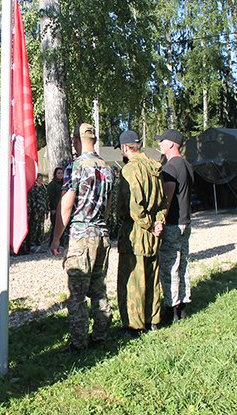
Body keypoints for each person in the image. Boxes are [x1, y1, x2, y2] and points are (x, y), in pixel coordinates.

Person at [50, 123, 114, 352]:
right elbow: (107, 207)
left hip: (81, 236)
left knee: (76, 295)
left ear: (77, 140)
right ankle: (100, 336)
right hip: (102, 234)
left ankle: (78, 344)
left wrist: (56, 238)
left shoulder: (75, 167)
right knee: (98, 289)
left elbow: (66, 207)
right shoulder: (107, 168)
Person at [117, 130, 167, 336]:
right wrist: (158, 222)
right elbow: (163, 201)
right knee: (152, 277)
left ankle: (134, 325)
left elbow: (133, 206)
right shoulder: (154, 167)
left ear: (125, 148)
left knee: (133, 281)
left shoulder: (131, 170)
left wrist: (147, 223)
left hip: (136, 233)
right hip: (153, 233)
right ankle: (153, 320)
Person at [156, 129, 194, 323]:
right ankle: (184, 304)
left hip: (172, 223)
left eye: (162, 141)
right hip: (185, 221)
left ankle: (171, 309)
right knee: (183, 265)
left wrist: (160, 220)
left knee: (170, 266)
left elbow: (167, 197)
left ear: (171, 144)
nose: (160, 144)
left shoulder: (171, 167)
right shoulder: (186, 165)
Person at [27, 173, 49, 252]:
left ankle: (39, 243)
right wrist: (34, 212)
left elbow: (46, 200)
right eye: (39, 178)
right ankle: (32, 244)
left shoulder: (43, 188)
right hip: (35, 212)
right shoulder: (33, 188)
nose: (41, 179)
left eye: (41, 178)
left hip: (42, 211)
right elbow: (32, 201)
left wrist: (47, 211)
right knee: (34, 228)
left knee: (41, 228)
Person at [47, 166, 63, 245]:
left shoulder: (64, 184)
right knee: (55, 226)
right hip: (55, 208)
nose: (60, 175)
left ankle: (61, 242)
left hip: (63, 208)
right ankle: (52, 243)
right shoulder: (52, 184)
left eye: (61, 173)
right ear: (55, 174)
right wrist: (52, 208)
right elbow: (50, 197)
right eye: (58, 173)